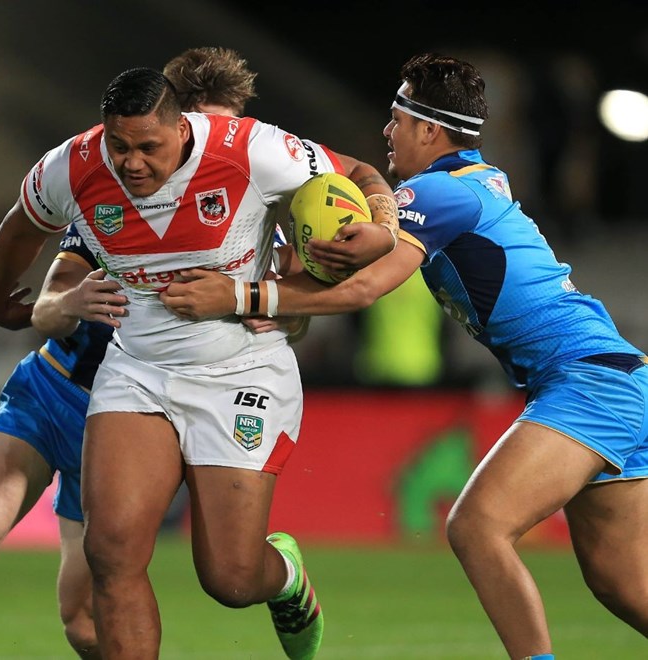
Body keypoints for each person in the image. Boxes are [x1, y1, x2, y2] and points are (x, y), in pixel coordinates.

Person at [159, 52, 648, 660]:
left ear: (429, 129)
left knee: (477, 527)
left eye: (398, 117)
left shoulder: (436, 192)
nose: (388, 130)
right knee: (623, 584)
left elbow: (363, 287)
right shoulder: (471, 182)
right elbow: (348, 261)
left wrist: (239, 295)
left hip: (586, 381)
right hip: (613, 378)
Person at [0, 48, 342, 660]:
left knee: (213, 583)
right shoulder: (102, 189)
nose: (224, 141)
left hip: (212, 384)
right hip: (77, 385)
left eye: (232, 127)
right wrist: (28, 306)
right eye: (127, 146)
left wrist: (266, 301)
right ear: (177, 118)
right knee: (49, 552)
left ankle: (281, 577)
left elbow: (303, 300)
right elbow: (49, 279)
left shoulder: (257, 193)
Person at [13, 67, 395, 659]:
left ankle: (286, 578)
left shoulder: (255, 160)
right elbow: (31, 239)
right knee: (110, 553)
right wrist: (16, 306)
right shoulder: (86, 173)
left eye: (148, 147)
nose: (133, 163)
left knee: (232, 579)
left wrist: (379, 231)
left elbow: (358, 183)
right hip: (136, 373)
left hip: (238, 373)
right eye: (123, 147)